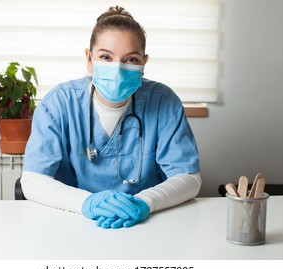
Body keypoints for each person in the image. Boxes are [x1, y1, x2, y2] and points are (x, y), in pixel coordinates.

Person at [21, 6, 201, 229]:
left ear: (144, 63)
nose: (117, 69)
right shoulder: (58, 104)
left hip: (146, 225)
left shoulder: (163, 102)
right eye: (105, 57)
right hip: (72, 224)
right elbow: (32, 181)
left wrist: (146, 202)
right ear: (89, 59)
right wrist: (86, 202)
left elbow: (190, 178)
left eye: (131, 60)